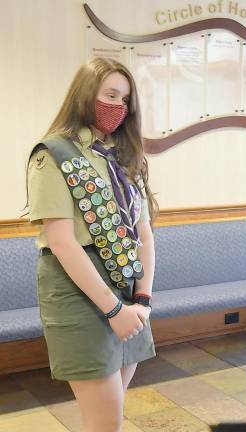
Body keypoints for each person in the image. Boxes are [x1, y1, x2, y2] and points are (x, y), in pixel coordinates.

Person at [27, 57, 158, 432]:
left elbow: (144, 234)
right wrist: (114, 310)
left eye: (125, 99)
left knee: (111, 414)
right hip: (80, 289)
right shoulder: (53, 154)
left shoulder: (126, 157)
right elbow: (62, 242)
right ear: (85, 96)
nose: (118, 107)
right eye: (110, 95)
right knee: (105, 422)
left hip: (129, 287)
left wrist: (142, 300)